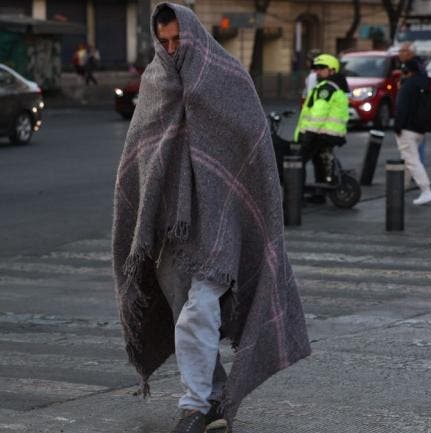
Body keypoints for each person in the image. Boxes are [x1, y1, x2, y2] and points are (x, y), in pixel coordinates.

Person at [111, 4, 310, 433]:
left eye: (177, 40)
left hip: (223, 226)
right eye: (163, 41)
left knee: (197, 313)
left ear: (193, 35)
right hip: (172, 231)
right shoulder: (155, 80)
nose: (171, 49)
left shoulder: (228, 76)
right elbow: (141, 155)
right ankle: (214, 393)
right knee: (185, 315)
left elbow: (252, 150)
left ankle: (194, 407)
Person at [293, 53, 349, 203]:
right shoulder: (335, 85)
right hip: (329, 133)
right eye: (316, 68)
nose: (317, 71)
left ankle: (296, 197)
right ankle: (319, 195)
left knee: (298, 162)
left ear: (332, 70)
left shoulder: (326, 88)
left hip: (321, 133)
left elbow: (319, 113)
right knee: (318, 161)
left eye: (321, 68)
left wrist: (308, 134)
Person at [393, 59, 431, 205]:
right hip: (420, 129)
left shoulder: (407, 86)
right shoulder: (425, 83)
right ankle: (401, 187)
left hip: (407, 129)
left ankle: (426, 190)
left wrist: (397, 127)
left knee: (412, 160)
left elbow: (402, 108)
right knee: (407, 158)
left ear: (407, 72)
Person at [397, 42, 428, 165]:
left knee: (415, 148)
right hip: (414, 111)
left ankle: (418, 171)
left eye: (403, 51)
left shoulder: (416, 66)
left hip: (415, 112)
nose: (400, 53)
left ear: (410, 53)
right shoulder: (409, 65)